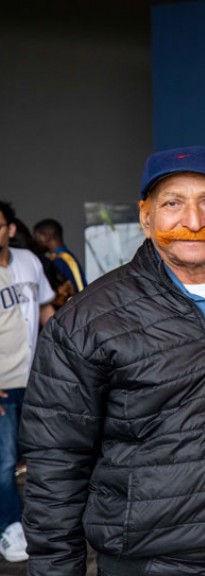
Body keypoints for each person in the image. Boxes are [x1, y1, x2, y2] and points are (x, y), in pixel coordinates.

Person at [19, 146, 205, 576]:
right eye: (173, 203)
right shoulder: (90, 318)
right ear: (146, 216)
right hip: (151, 563)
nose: (193, 221)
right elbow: (55, 464)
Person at [0, 200, 55, 563]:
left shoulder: (29, 262)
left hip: (34, 381)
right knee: (3, 462)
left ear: (10, 229)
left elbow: (47, 311)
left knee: (42, 456)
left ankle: (35, 523)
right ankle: (9, 527)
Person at [33, 217, 87, 306]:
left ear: (47, 237)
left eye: (37, 237)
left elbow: (79, 289)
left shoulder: (65, 259)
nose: (36, 241)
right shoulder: (55, 259)